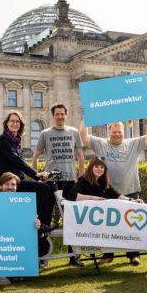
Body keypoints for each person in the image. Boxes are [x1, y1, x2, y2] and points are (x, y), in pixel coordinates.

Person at [78, 107, 147, 265]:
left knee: (133, 224)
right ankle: (107, 255)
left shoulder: (132, 144)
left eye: (119, 132)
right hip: (108, 193)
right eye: (114, 132)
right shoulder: (101, 144)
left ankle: (134, 255)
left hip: (131, 190)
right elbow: (84, 136)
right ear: (109, 132)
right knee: (108, 226)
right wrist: (85, 117)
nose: (117, 134)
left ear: (123, 132)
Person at [32, 102, 85, 267]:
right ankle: (43, 257)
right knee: (44, 219)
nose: (60, 117)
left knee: (71, 218)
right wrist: (36, 175)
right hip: (51, 180)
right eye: (57, 114)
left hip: (69, 179)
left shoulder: (74, 132)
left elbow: (80, 156)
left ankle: (74, 256)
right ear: (53, 115)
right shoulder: (45, 133)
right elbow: (35, 156)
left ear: (66, 115)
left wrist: (81, 176)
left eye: (62, 114)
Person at [0, 111, 51, 228]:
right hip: (6, 182)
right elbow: (16, 160)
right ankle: (42, 225)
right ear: (7, 124)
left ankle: (37, 224)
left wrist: (35, 176)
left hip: (17, 180)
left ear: (20, 124)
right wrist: (36, 175)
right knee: (44, 189)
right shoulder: (3, 140)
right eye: (12, 121)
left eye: (17, 121)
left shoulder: (15, 140)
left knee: (44, 189)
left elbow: (19, 164)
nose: (15, 123)